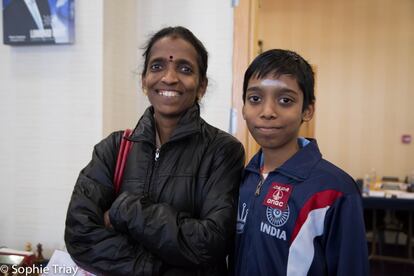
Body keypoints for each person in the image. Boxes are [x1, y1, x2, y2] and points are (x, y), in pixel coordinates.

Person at [65, 26, 245, 275]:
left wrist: (125, 210)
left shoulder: (223, 151)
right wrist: (156, 266)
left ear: (201, 86)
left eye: (184, 69)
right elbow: (80, 236)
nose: (169, 78)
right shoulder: (113, 149)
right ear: (144, 80)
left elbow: (210, 244)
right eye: (157, 66)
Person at [233, 49, 369, 275]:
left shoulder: (335, 191)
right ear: (244, 108)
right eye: (255, 99)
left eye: (285, 100)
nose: (267, 112)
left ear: (307, 110)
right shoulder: (244, 178)